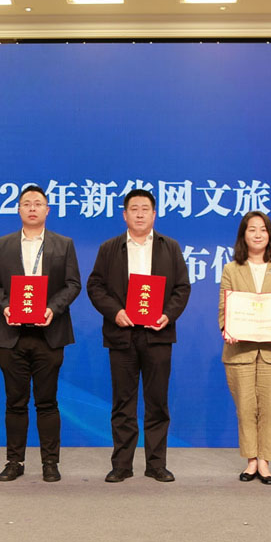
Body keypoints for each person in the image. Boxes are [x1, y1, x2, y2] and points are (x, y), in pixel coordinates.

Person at [86, 189, 191, 483]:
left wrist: (168, 314)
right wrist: (115, 312)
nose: (140, 214)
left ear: (154, 214)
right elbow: (95, 286)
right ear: (125, 215)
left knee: (157, 402)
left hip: (158, 335)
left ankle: (156, 464)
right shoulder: (109, 248)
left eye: (145, 209)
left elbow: (182, 287)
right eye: (134, 209)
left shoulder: (170, 247)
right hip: (122, 335)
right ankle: (122, 464)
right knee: (123, 403)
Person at [0, 185, 81, 483]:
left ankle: (50, 462)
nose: (32, 208)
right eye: (26, 203)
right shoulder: (3, 244)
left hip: (49, 333)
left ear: (47, 210)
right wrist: (5, 307)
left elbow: (73, 284)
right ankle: (15, 461)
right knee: (15, 402)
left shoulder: (63, 244)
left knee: (47, 401)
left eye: (38, 203)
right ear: (19, 210)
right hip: (12, 333)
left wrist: (53, 308)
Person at [218, 211, 271, 485]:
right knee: (245, 408)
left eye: (263, 229)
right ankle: (251, 459)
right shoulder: (231, 269)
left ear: (270, 235)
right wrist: (227, 329)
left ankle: (265, 461)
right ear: (243, 235)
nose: (257, 234)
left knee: (270, 409)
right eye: (251, 229)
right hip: (240, 351)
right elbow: (224, 309)